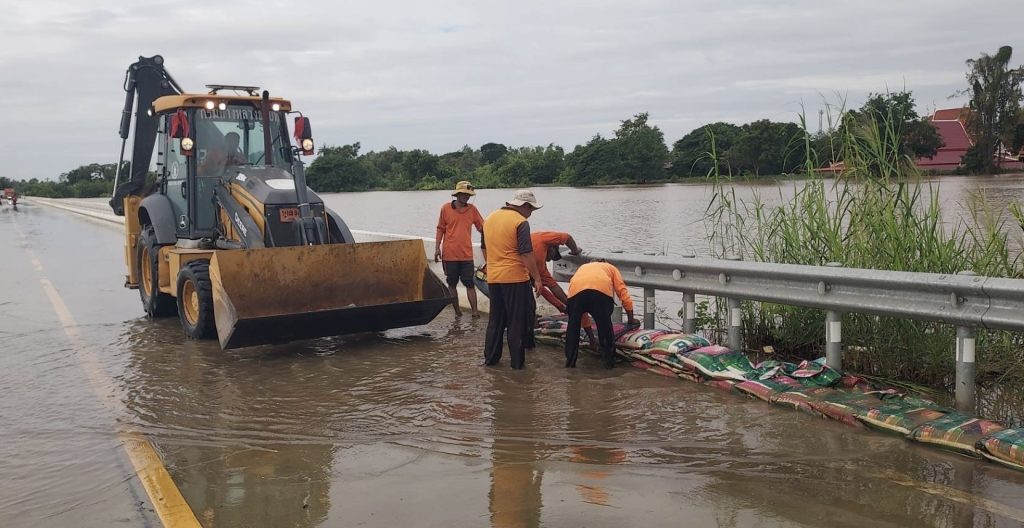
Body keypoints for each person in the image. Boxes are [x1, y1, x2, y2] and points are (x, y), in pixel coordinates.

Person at [481, 189, 544, 369]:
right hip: (516, 278)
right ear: (524, 206)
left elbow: (484, 249)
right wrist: (537, 279)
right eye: (531, 209)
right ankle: (517, 365)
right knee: (516, 322)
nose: (531, 214)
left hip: (494, 277)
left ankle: (490, 360)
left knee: (496, 321)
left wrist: (494, 265)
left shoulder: (490, 218)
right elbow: (526, 253)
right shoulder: (520, 222)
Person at [564, 260, 638, 369]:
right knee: (605, 328)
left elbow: (583, 315)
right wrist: (631, 320)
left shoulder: (583, 266)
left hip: (575, 292)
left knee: (573, 328)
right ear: (604, 262)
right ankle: (609, 364)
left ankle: (570, 364)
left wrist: (591, 339)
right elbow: (623, 293)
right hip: (600, 292)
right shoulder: (610, 267)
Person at [530, 231, 597, 350]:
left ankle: (527, 342)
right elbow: (567, 237)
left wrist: (565, 305)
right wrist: (575, 250)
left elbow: (549, 289)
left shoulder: (542, 269)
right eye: (552, 256)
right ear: (552, 248)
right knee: (527, 309)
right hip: (512, 274)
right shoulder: (542, 238)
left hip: (521, 279)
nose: (550, 261)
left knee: (528, 310)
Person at [434, 181, 485, 317]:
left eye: (468, 195)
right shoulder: (445, 208)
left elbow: (483, 228)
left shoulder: (473, 210)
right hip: (449, 254)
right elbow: (440, 229)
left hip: (466, 255)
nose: (466, 197)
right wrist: (437, 247)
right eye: (463, 194)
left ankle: (475, 312)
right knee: (452, 283)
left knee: (469, 283)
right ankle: (457, 311)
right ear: (457, 194)